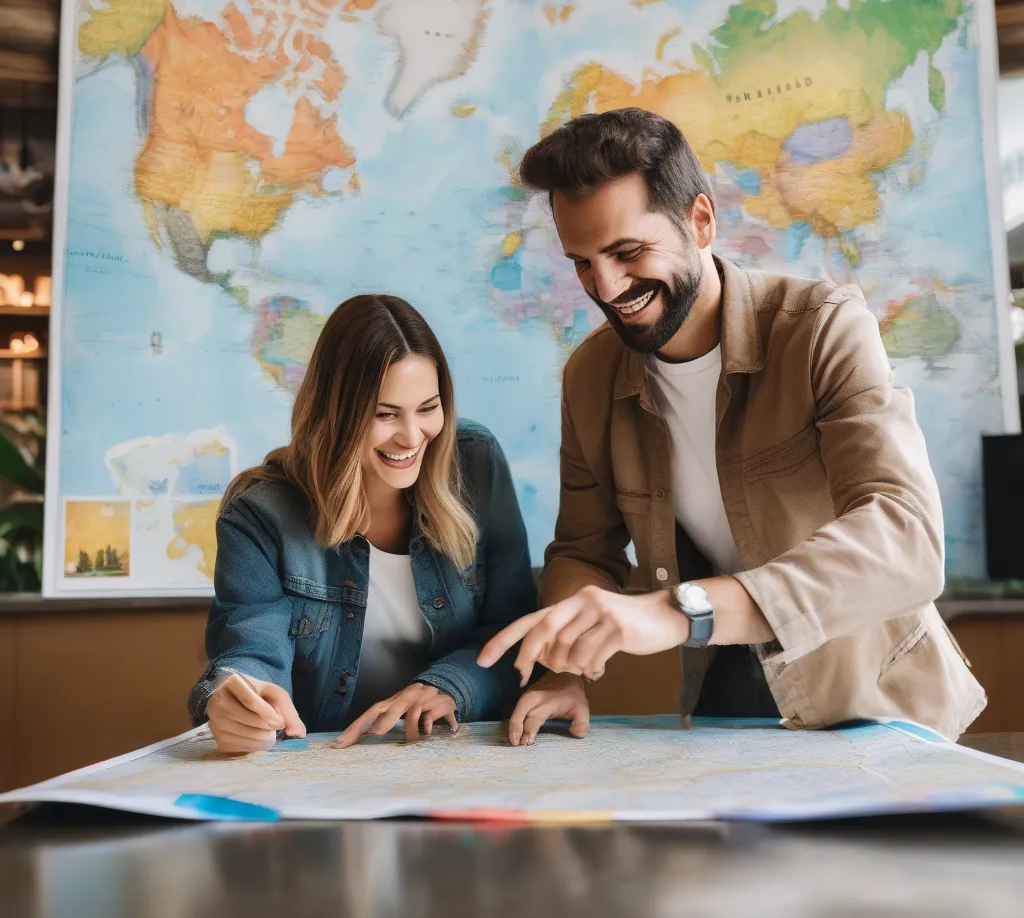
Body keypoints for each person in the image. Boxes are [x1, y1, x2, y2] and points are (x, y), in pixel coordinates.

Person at [480, 107, 985, 743]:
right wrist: (561, 669)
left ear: (700, 221)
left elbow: (906, 539)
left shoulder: (825, 329)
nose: (605, 287)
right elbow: (585, 551)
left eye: (627, 251)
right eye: (581, 261)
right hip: (724, 687)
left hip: (878, 699)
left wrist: (679, 612)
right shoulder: (588, 376)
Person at [188, 294, 555, 752]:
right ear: (335, 411)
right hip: (325, 767)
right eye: (384, 414)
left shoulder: (476, 463)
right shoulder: (260, 513)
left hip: (461, 757)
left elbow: (513, 627)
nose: (411, 436)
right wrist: (236, 696)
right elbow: (252, 645)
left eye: (428, 408)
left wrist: (447, 686)